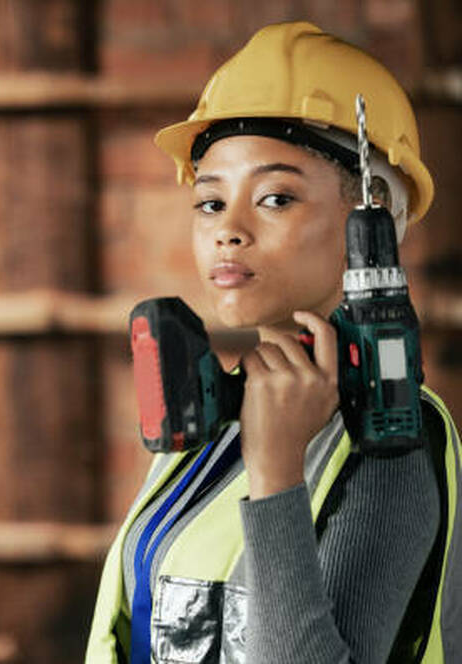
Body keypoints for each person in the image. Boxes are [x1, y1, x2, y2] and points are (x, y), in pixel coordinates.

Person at [85, 22, 461, 664]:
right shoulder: (218, 414)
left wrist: (277, 471)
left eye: (275, 198)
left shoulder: (388, 441)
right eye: (209, 202)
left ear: (367, 219)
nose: (228, 231)